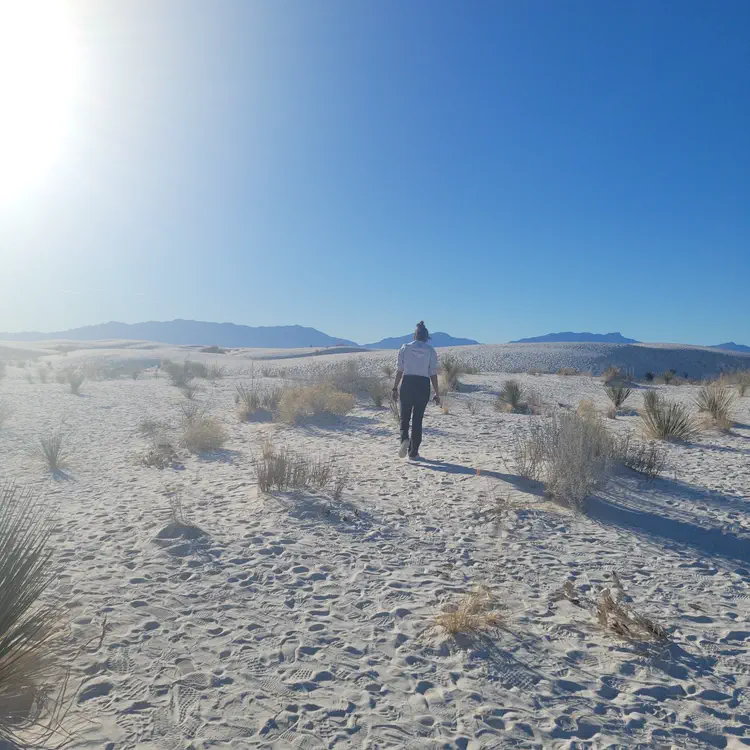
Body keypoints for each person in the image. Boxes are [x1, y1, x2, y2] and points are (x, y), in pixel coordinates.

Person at [391, 321, 441, 459]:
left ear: (415, 335)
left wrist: (395, 388)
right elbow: (433, 373)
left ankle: (404, 439)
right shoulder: (430, 351)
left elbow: (400, 370)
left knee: (404, 417)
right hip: (423, 385)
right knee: (418, 419)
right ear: (426, 337)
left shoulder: (405, 348)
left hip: (408, 383)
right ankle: (413, 452)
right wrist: (437, 392)